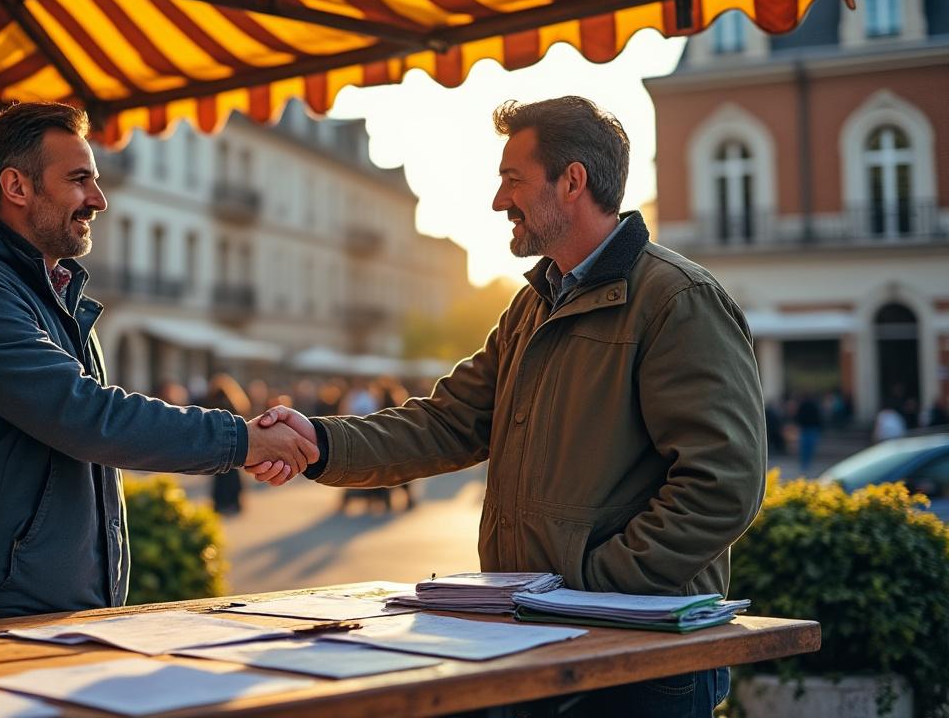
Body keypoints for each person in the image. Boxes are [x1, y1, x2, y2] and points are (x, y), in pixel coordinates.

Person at [261, 97, 763, 718]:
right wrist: (319, 441)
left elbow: (723, 485)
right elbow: (446, 422)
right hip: (538, 639)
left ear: (572, 181)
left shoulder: (676, 300)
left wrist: (593, 583)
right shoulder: (533, 304)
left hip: (641, 660)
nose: (499, 200)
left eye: (512, 179)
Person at [0, 102, 316, 619]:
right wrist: (243, 440)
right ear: (16, 187)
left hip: (53, 604)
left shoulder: (51, 295)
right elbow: (87, 415)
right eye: (79, 180)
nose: (98, 200)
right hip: (1, 607)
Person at [204, 374, 252, 515]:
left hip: (216, 444)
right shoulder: (235, 400)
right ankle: (234, 502)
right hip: (234, 443)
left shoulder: (212, 401)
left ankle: (220, 503)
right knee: (232, 475)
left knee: (219, 476)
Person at [793, 394, 823, 476]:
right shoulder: (815, 406)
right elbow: (819, 417)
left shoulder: (803, 405)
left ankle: (804, 465)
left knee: (804, 448)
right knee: (809, 448)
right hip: (812, 428)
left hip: (805, 428)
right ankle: (806, 464)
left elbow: (798, 416)